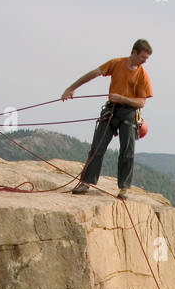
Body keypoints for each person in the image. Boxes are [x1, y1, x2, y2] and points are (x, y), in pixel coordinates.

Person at [61, 40, 153, 199]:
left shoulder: (143, 75)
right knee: (97, 146)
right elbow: (94, 74)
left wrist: (122, 98)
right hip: (112, 109)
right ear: (134, 52)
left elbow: (141, 102)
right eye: (143, 57)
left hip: (129, 112)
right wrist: (71, 88)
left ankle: (124, 188)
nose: (145, 61)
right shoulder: (116, 63)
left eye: (146, 58)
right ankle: (86, 182)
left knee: (127, 150)